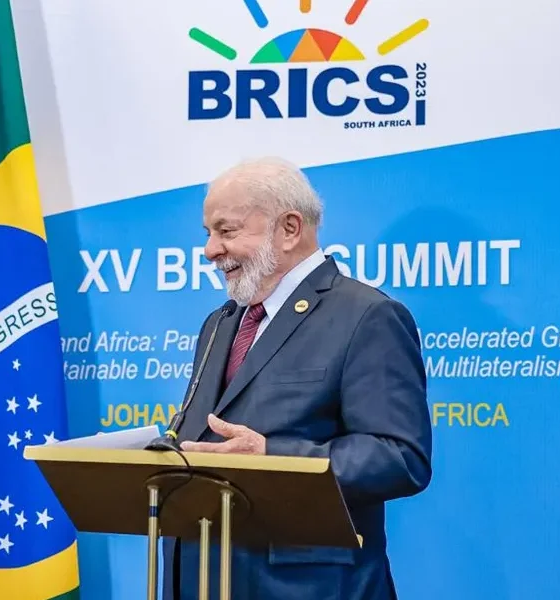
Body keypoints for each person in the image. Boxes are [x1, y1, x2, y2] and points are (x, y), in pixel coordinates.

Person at [161, 157, 432, 600]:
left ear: (289, 228)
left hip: (307, 587)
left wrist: (272, 454)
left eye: (226, 231)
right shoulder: (221, 321)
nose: (210, 250)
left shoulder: (367, 316)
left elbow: (401, 458)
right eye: (208, 233)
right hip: (204, 577)